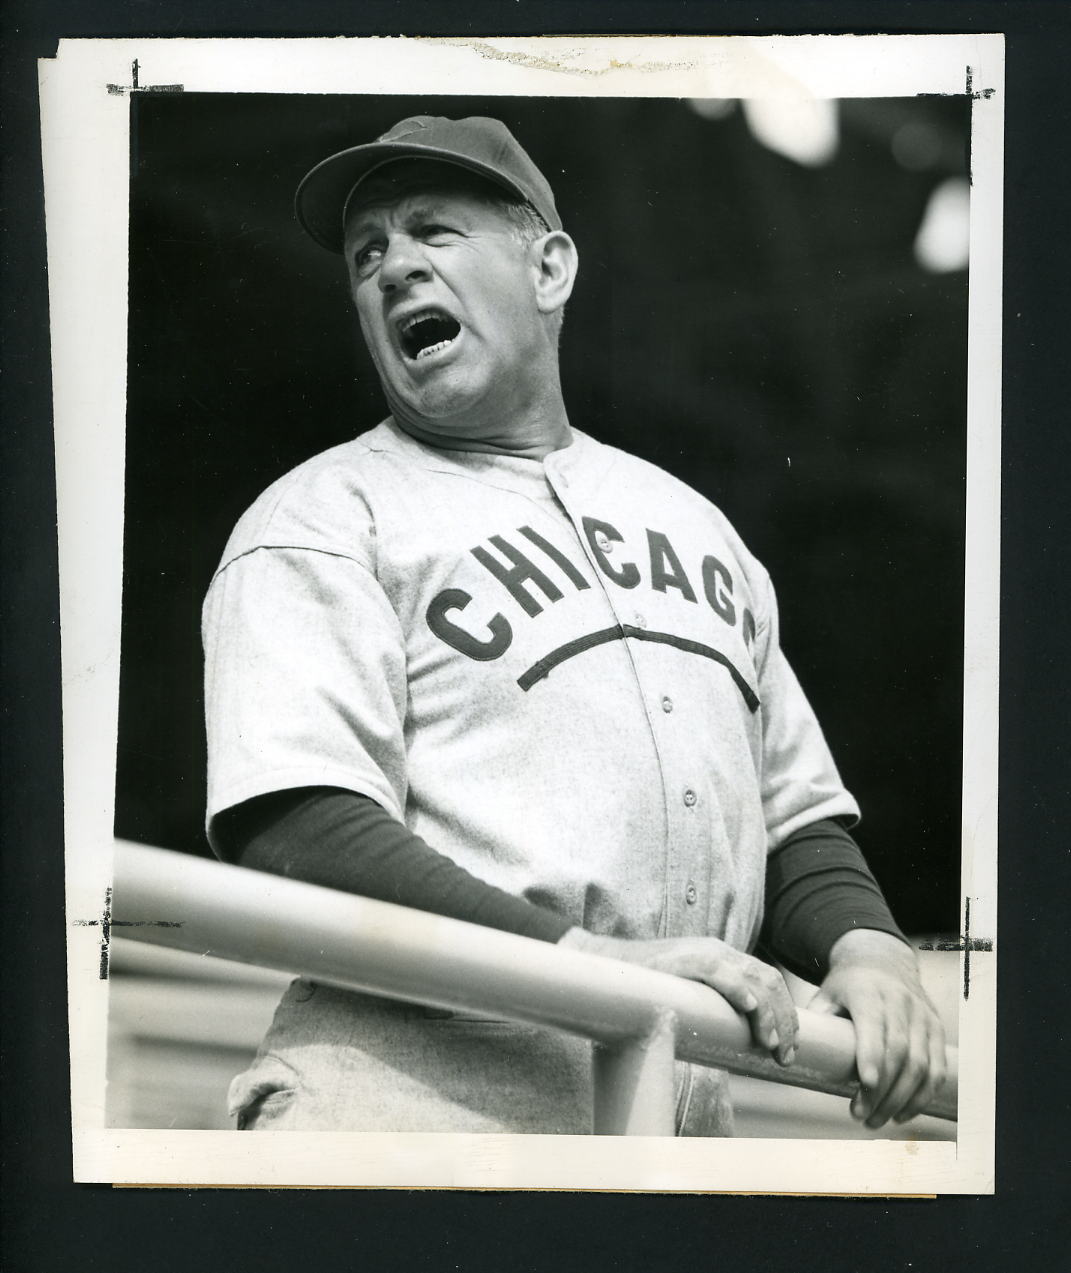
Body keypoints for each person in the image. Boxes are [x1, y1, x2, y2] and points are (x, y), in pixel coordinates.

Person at [202, 115, 946, 1135]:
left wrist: (870, 945)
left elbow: (795, 816)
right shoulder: (325, 516)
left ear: (549, 267)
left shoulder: (694, 523)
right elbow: (296, 822)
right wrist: (589, 967)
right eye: (368, 251)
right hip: (409, 1105)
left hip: (666, 1107)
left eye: (433, 230)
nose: (392, 267)